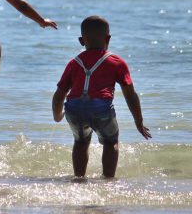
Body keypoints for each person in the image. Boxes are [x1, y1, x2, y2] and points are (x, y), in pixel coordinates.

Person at [52, 16, 151, 179]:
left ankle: (79, 179)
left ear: (81, 41)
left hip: (74, 108)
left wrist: (57, 116)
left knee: (80, 142)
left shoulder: (73, 63)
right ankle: (108, 179)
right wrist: (138, 121)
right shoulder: (116, 62)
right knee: (110, 141)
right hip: (101, 108)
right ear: (108, 39)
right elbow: (130, 95)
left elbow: (59, 95)